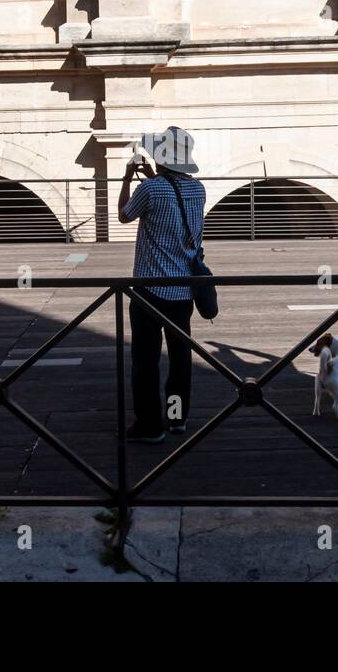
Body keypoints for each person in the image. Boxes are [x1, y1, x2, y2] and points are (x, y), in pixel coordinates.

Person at [117, 126, 207, 443]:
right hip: (184, 290)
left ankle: (150, 425)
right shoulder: (198, 189)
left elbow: (124, 215)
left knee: (146, 360)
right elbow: (174, 196)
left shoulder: (151, 189)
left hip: (150, 292)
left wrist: (129, 178)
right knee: (180, 358)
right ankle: (176, 417)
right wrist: (155, 175)